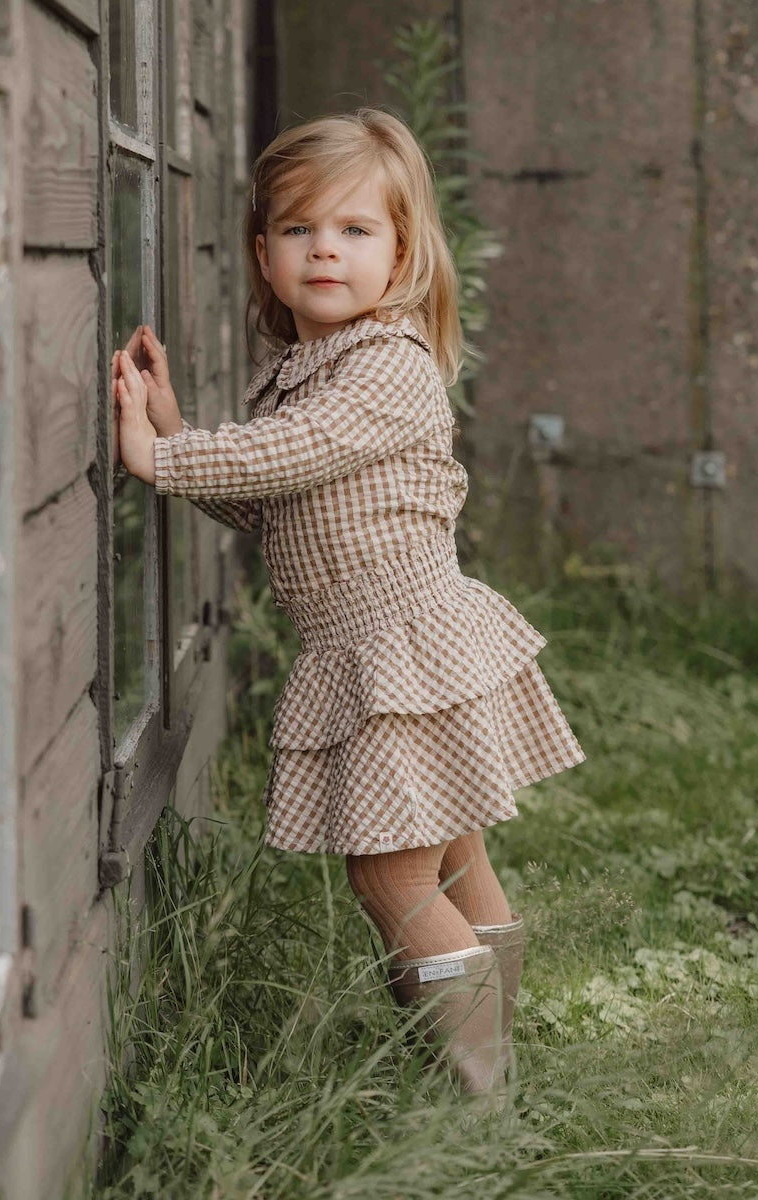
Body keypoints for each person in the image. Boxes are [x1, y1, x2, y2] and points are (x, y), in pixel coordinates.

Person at [112, 109, 585, 1098]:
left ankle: (475, 1097)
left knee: (391, 876)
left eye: (356, 230)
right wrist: (173, 427)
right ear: (264, 255)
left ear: (403, 254)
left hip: (401, 646)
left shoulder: (389, 368)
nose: (325, 247)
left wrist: (162, 457)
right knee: (452, 861)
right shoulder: (305, 372)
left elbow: (297, 451)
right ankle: (493, 1075)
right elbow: (270, 491)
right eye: (298, 230)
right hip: (391, 646)